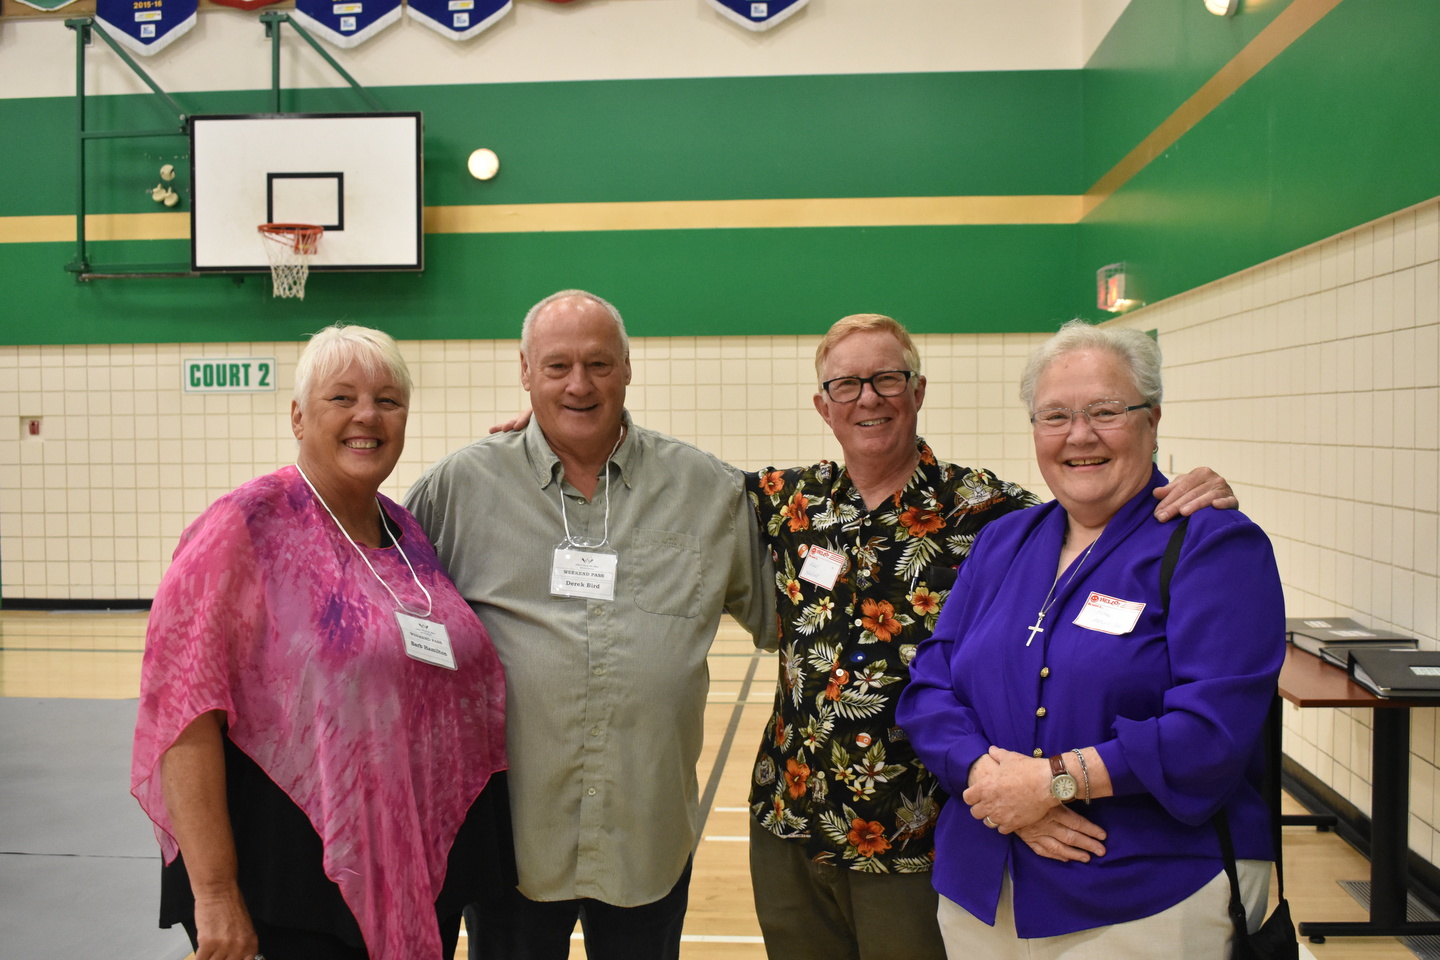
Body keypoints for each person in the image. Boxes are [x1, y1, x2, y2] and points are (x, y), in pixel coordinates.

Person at [744, 314, 1238, 960]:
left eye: (888, 379)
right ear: (823, 405)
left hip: (922, 832)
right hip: (793, 818)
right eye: (847, 385)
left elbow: (1096, 503)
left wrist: (1192, 492)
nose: (869, 398)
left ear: (917, 391)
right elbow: (673, 489)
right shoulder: (790, 502)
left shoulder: (993, 514)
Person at [895, 320, 1284, 958]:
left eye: (1106, 411)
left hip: (1147, 890)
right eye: (1055, 416)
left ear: (1151, 420)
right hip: (984, 884)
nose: (1079, 435)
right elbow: (930, 688)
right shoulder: (1003, 541)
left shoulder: (1212, 545)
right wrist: (996, 784)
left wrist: (1051, 784)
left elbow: (1210, 732)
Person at [404, 290, 775, 960]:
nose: (579, 384)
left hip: (648, 836)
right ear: (525, 371)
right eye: (557, 367)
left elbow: (788, 618)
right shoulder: (458, 490)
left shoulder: (706, 492)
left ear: (628, 369)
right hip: (513, 842)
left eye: (599, 365)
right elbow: (388, 616)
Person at [131, 324, 510, 960]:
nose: (368, 415)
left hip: (413, 871)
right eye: (342, 398)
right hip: (290, 885)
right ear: (298, 416)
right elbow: (182, 716)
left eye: (389, 400)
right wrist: (217, 892)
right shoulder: (246, 526)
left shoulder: (406, 531)